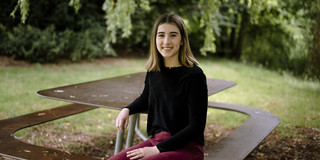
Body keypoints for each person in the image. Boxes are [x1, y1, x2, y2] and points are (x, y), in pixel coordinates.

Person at [108, 14, 208, 160]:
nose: (166, 41)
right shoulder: (154, 70)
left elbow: (196, 127)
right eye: (161, 35)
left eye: (173, 35)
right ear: (155, 39)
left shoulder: (194, 76)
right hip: (156, 141)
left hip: (186, 147)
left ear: (182, 41)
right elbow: (146, 98)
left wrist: (157, 150)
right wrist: (127, 109)